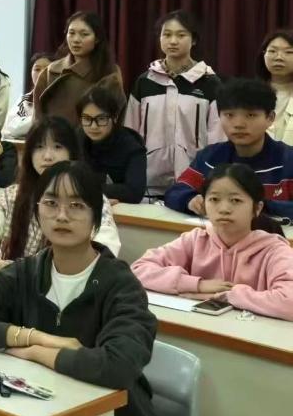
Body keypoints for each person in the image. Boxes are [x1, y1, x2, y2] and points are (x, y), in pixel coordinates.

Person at [0, 161, 165, 416]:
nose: (62, 215)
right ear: (37, 212)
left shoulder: (120, 284)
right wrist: (36, 338)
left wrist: (36, 353)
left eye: (76, 206)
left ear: (96, 220)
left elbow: (118, 366)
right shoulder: (25, 272)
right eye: (51, 203)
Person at [133, 164, 293, 321]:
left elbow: (289, 302)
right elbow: (138, 270)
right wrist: (197, 285)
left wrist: (230, 294)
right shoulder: (196, 240)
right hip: (203, 328)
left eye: (236, 200)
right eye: (214, 199)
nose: (224, 209)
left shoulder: (275, 250)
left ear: (257, 208)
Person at [0, 116, 121, 273]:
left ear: (72, 153)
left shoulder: (91, 197)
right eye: (39, 147)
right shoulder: (12, 196)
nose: (47, 156)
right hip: (13, 285)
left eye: (57, 147)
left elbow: (105, 243)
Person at [124, 10, 223, 193]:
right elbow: (130, 131)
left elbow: (217, 136)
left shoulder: (209, 82)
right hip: (147, 181)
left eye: (181, 35)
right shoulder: (145, 81)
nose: (173, 41)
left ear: (193, 40)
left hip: (194, 181)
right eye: (167, 34)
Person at [165, 78, 293, 219]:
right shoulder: (210, 157)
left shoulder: (288, 159)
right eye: (229, 115)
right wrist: (190, 200)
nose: (238, 124)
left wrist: (257, 206)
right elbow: (175, 191)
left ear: (270, 118)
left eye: (250, 115)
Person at [33, 11, 125, 126]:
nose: (76, 40)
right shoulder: (51, 70)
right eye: (71, 33)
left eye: (84, 34)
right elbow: (37, 114)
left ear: (97, 39)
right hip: (54, 140)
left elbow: (116, 116)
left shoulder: (108, 71)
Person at [78, 87, 146, 204]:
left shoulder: (131, 146)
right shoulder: (76, 139)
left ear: (114, 117)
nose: (93, 126)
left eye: (101, 119)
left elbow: (134, 192)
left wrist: (84, 188)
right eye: (87, 119)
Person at [257, 29, 293, 146]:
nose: (279, 57)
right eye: (272, 51)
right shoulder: (248, 92)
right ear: (264, 54)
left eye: (288, 52)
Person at [3, 53, 51, 140]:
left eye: (47, 69)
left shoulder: (62, 97)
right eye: (37, 69)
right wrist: (37, 118)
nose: (42, 73)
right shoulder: (24, 99)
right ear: (31, 73)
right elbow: (12, 127)